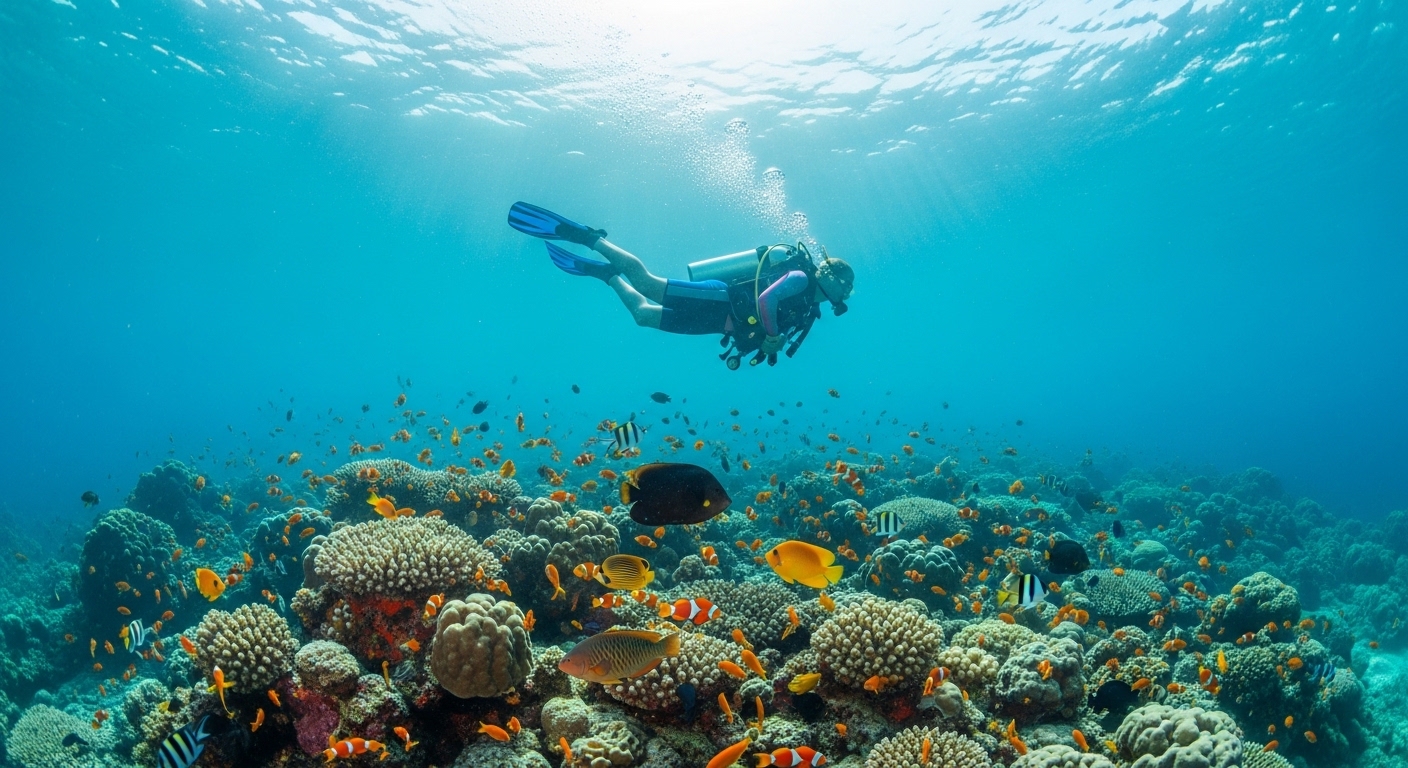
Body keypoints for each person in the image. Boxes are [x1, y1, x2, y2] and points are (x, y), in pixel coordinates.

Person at [508, 202, 855, 369]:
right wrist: (773, 335)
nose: (845, 297)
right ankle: (588, 238)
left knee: (643, 315)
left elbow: (768, 330)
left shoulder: (811, 309)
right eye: (847, 288)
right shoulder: (802, 278)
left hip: (718, 323)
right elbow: (766, 300)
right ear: (834, 280)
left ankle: (607, 274)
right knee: (648, 284)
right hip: (721, 300)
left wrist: (767, 343)